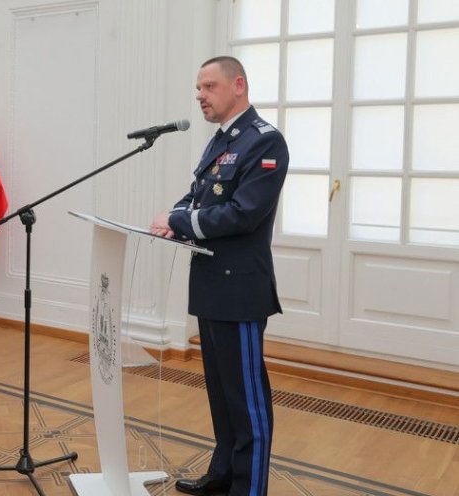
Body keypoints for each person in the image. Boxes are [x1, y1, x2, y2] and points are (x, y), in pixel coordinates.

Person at [150, 56, 289, 496]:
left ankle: (250, 489)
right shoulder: (220, 142)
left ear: (239, 85)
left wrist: (182, 221)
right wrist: (176, 216)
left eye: (209, 86)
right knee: (221, 393)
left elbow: (244, 213)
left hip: (240, 287)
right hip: (210, 281)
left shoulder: (264, 142)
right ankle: (222, 474)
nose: (200, 96)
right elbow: (198, 196)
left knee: (247, 399)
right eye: (199, 88)